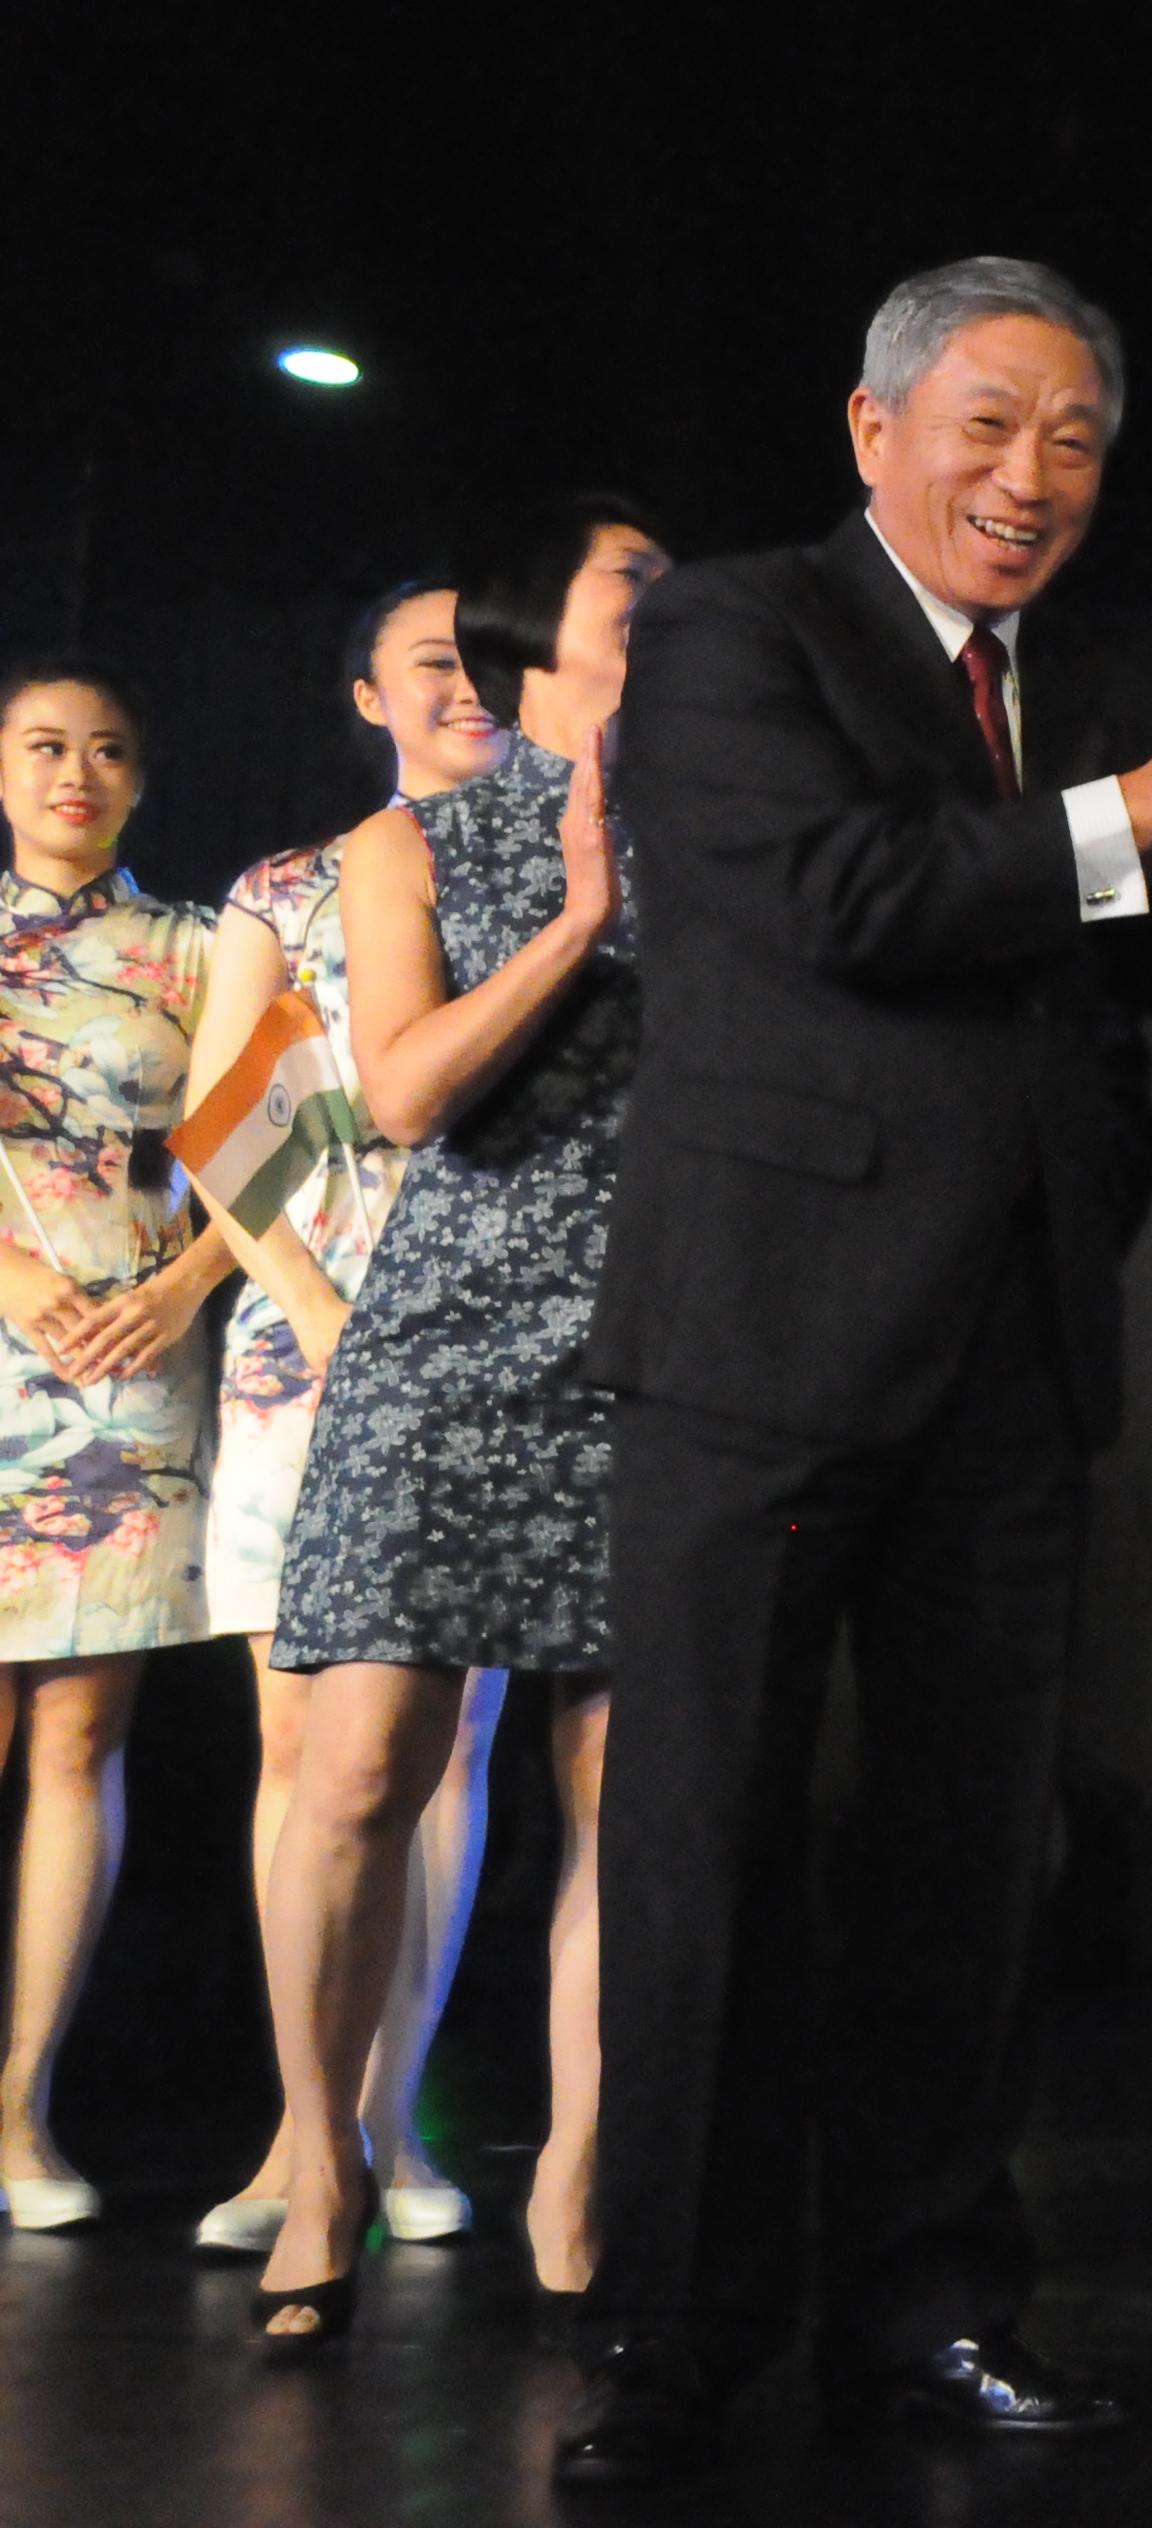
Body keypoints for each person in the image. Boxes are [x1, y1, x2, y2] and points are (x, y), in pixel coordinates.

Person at [559, 259, 1152, 2486]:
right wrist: (1146, 802)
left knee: (965, 1865)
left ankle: (925, 2308)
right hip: (758, 1340)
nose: (1032, 478)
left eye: (1077, 440)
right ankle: (669, 2341)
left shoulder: (1085, 688)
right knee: (708, 1852)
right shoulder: (733, 629)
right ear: (871, 429)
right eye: (989, 425)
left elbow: (1137, 968)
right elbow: (840, 893)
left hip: (1013, 1343)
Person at [248, 501, 666, 2353]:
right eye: (628, 596)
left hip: (654, 1341)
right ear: (534, 650)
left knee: (618, 1797)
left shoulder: (723, 837)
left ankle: (581, 2156)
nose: (667, 617)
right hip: (443, 1336)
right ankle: (324, 2153)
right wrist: (580, 919)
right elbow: (407, 1088)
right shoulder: (402, 840)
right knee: (356, 1775)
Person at [184, 583, 500, 2267]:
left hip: (483, 1360)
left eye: (480, 658)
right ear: (366, 687)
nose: (461, 686)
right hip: (303, 1361)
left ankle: (400, 2116)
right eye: (429, 661)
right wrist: (314, 1310)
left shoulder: (549, 873)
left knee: (442, 1751)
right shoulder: (284, 889)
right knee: (301, 1753)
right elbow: (220, 1125)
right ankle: (305, 2131)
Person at [0, 664, 229, 2236]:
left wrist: (183, 1286)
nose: (76, 771)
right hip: (5, 1328)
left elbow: (291, 1138)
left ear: (143, 776)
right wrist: (20, 1283)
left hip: (138, 1365)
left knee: (81, 1746)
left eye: (107, 749)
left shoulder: (204, 949)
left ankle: (20, 2113)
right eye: (42, 746)